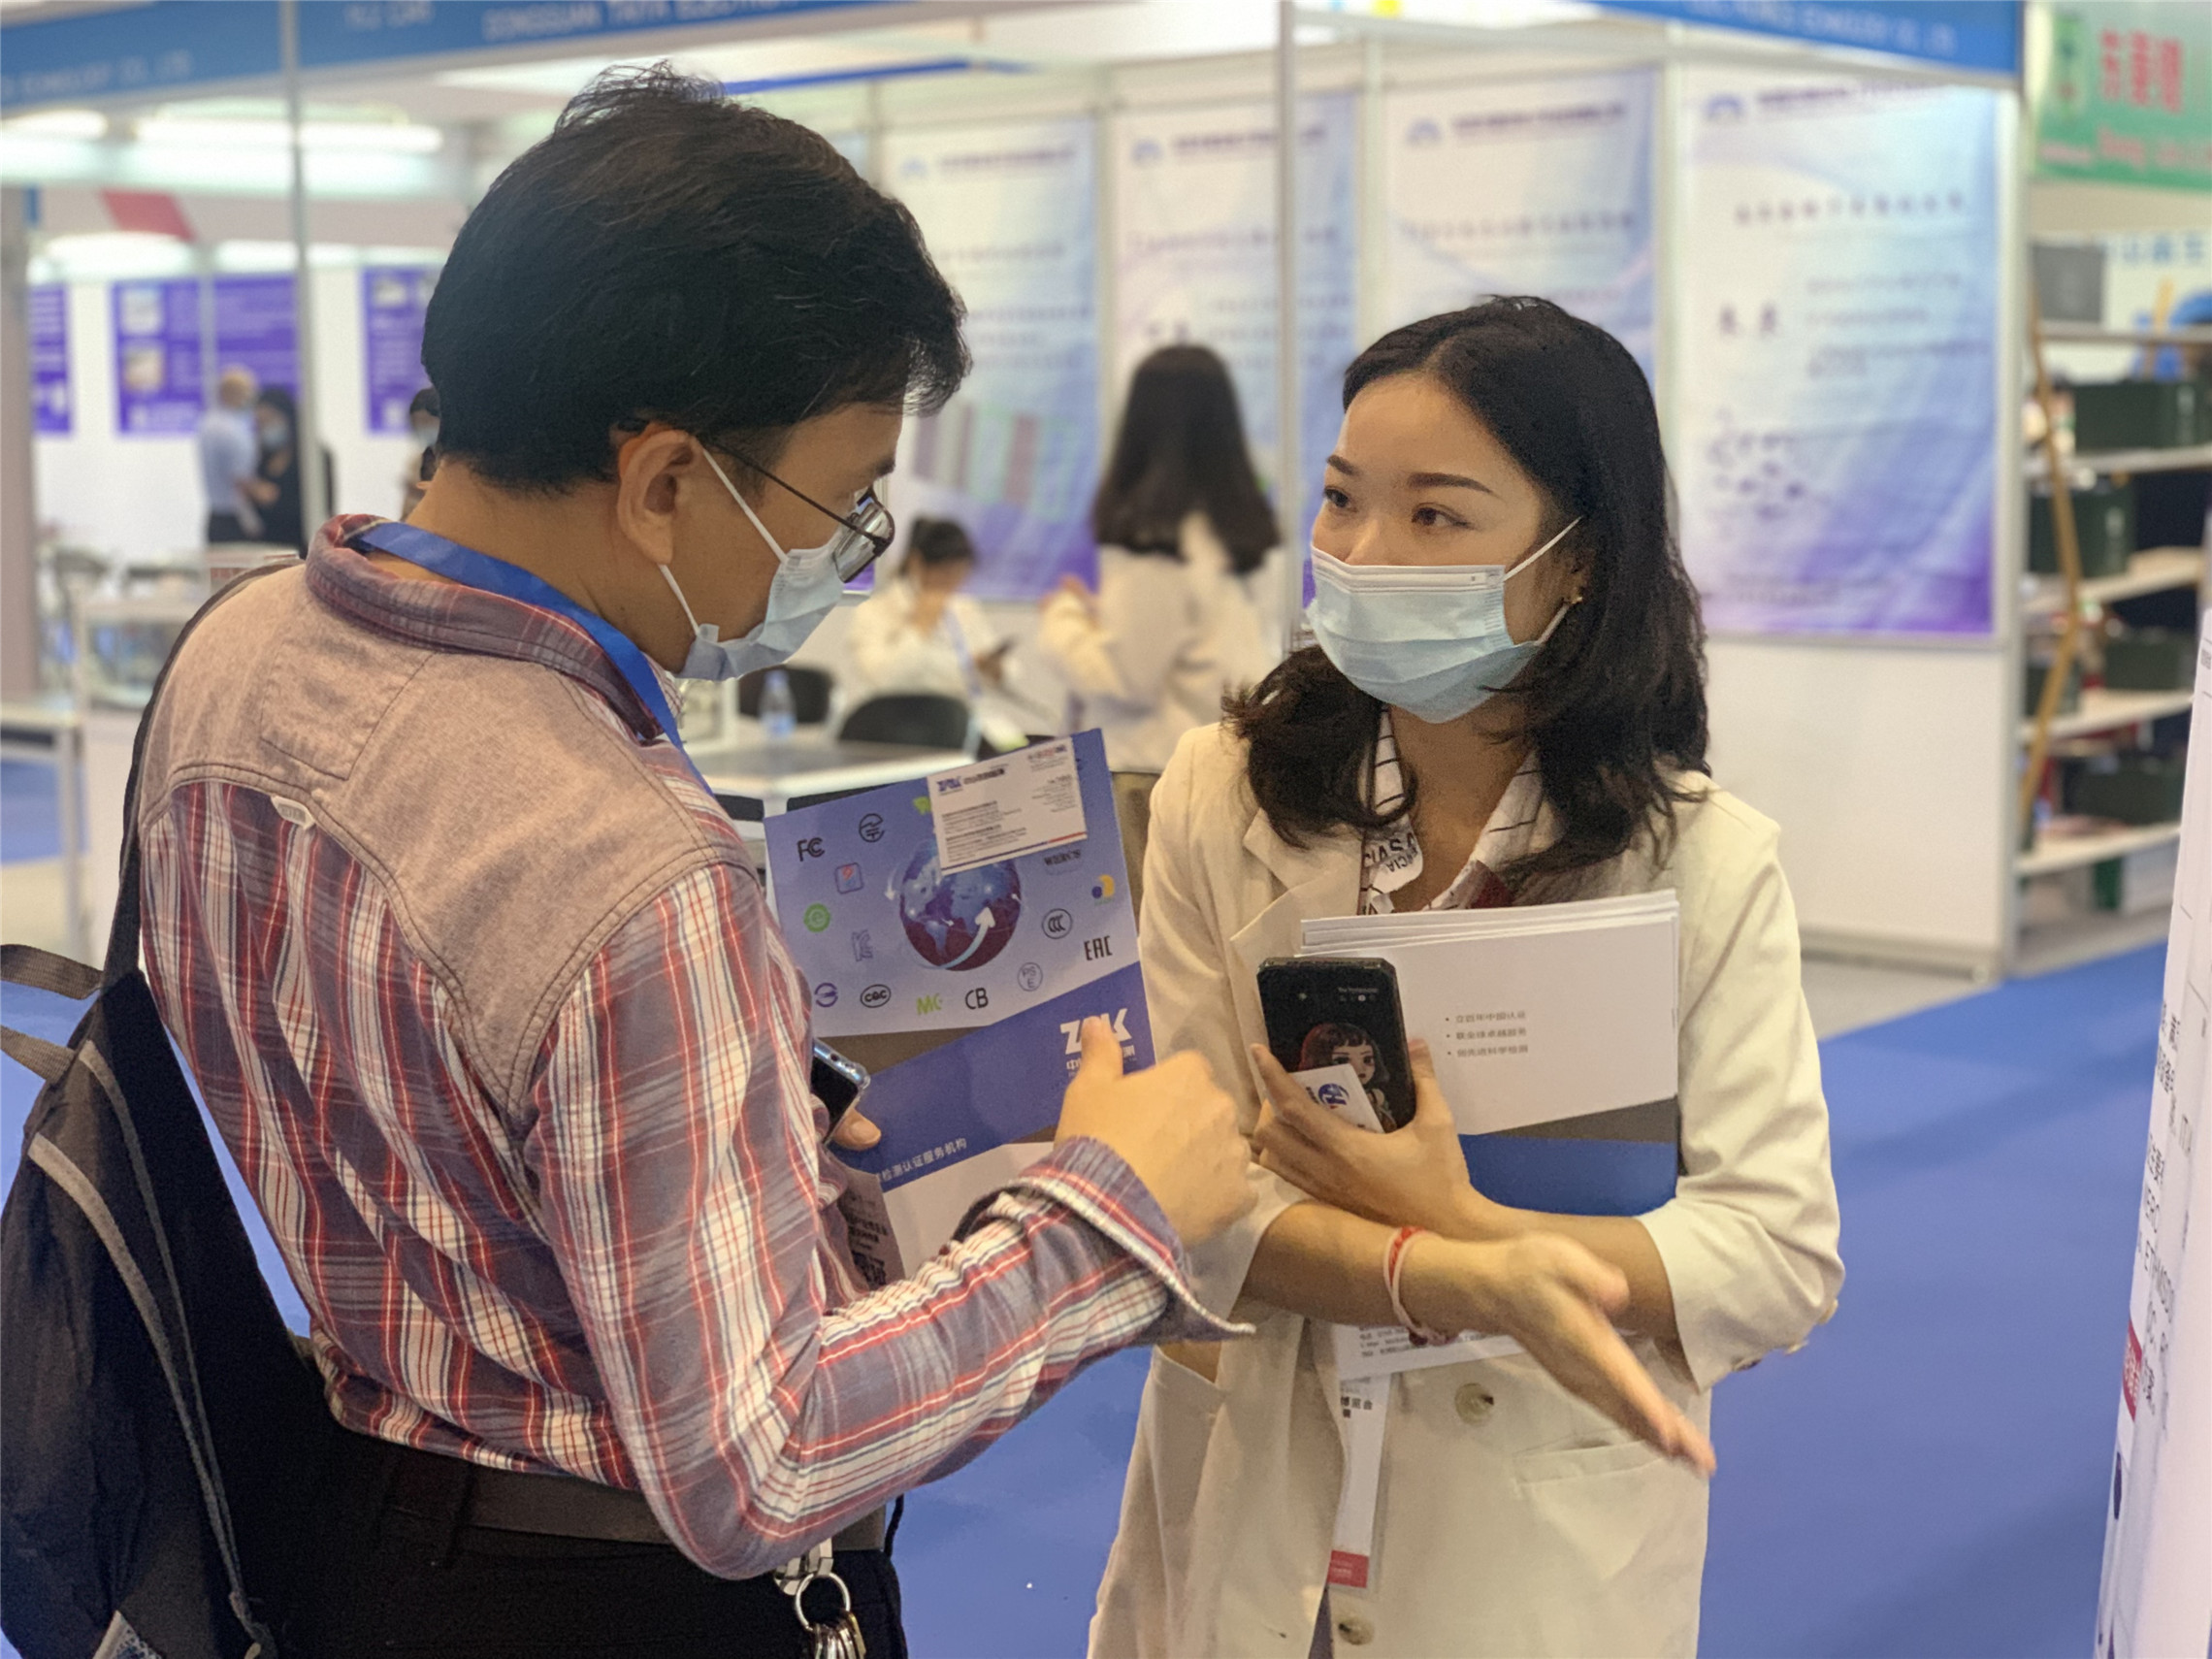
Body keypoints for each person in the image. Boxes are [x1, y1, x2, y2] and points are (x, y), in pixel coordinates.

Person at [134, 70, 1266, 1659]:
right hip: (614, 1600)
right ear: (666, 480)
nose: (842, 553)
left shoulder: (234, 655)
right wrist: (1108, 1214)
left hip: (340, 1526)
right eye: (842, 500)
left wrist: (743, 1105)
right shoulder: (632, 865)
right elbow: (762, 1459)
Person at [1090, 299, 1843, 1658]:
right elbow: (1184, 1185)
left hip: (1529, 1537)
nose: (1366, 553)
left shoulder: (1702, 861)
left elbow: (1773, 1250)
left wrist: (1455, 1221)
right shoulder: (1222, 792)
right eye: (1342, 498)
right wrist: (1450, 1259)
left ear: (1578, 564)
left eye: (1436, 515)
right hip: (1257, 1490)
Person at [1037, 344, 1279, 911]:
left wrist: (1062, 619)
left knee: (1148, 943)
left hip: (1149, 772)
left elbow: (1127, 679)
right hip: (1228, 765)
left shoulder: (1154, 544)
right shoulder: (1241, 537)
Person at [845, 515, 1025, 744]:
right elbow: (884, 680)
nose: (953, 582)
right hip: (902, 732)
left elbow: (1009, 670)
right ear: (916, 563)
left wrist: (994, 668)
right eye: (946, 572)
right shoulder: (875, 611)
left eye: (961, 572)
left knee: (1025, 753)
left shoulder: (964, 607)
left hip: (968, 724)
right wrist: (919, 628)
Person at [249, 385, 334, 555]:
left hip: (305, 547)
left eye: (270, 420)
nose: (265, 428)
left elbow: (322, 505)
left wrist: (274, 499)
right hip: (270, 549)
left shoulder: (314, 457)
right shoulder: (263, 457)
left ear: (288, 417)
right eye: (260, 424)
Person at [196, 365, 262, 542]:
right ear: (229, 393)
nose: (251, 398)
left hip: (216, 517)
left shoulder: (209, 424)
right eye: (247, 392)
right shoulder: (232, 431)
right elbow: (241, 481)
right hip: (236, 520)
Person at [401, 385, 440, 517]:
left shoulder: (459, 464)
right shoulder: (415, 464)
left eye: (427, 422)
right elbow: (406, 515)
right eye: (416, 423)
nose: (422, 428)